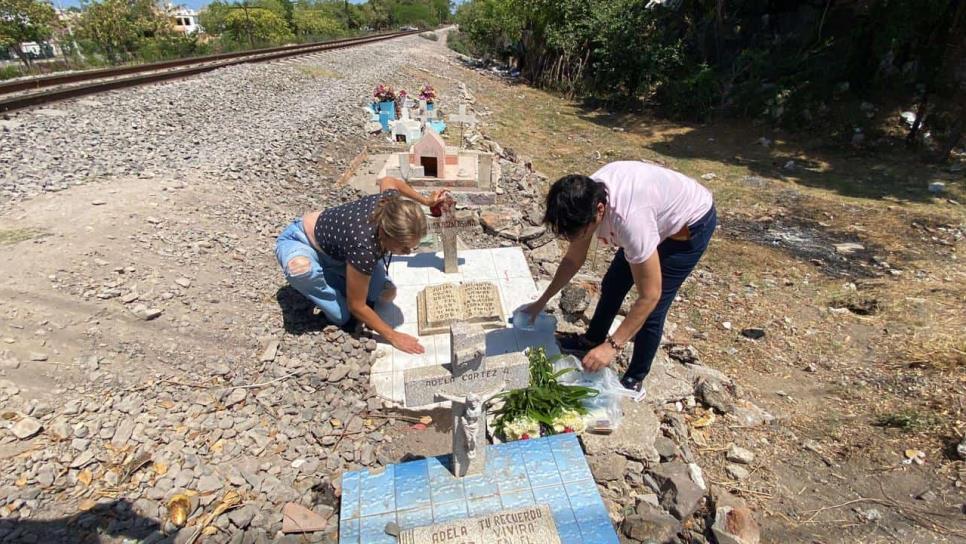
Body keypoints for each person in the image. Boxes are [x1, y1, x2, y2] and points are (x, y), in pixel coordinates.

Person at [522, 161, 717, 394]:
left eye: (580, 233)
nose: (576, 238)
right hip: (651, 214)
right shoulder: (582, 200)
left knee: (653, 309)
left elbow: (650, 296)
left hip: (687, 227)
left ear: (600, 211)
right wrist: (540, 303)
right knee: (613, 283)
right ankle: (592, 340)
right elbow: (573, 260)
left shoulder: (630, 221)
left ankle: (634, 378)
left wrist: (613, 347)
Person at [275, 177, 448, 355]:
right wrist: (393, 336)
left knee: (386, 293)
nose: (408, 252)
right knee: (341, 314)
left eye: (412, 247)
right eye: (403, 247)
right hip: (301, 241)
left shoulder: (390, 205)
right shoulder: (364, 248)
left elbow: (389, 181)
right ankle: (319, 277)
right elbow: (356, 306)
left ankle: (339, 276)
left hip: (340, 251)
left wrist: (427, 201)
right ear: (386, 234)